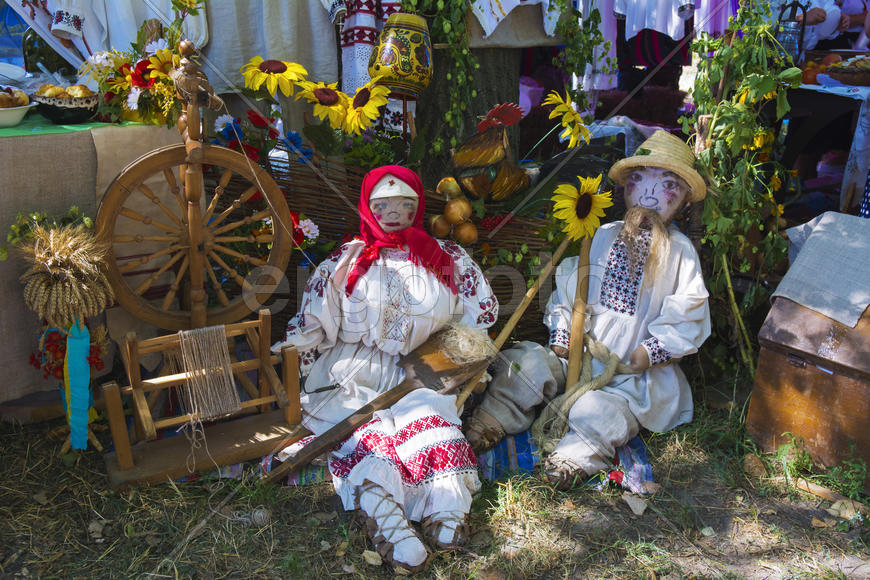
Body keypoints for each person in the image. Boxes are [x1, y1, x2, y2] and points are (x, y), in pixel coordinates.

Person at [271, 165, 498, 572]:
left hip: (424, 366)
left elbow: (476, 314)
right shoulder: (347, 260)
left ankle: (446, 510)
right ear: (367, 207)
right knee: (366, 435)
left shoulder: (445, 258)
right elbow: (314, 322)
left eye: (405, 203)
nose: (393, 211)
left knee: (433, 422)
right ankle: (390, 525)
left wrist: (464, 354)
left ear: (418, 206)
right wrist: (290, 356)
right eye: (383, 204)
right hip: (353, 369)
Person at [465, 130, 711, 488]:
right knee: (526, 365)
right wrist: (564, 332)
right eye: (638, 181)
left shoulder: (680, 252)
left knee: (600, 411)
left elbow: (688, 309)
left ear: (684, 198)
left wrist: (652, 351)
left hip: (631, 375)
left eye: (668, 185)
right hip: (581, 355)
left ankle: (572, 458)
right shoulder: (603, 234)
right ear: (625, 188)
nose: (650, 194)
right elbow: (571, 285)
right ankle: (490, 422)